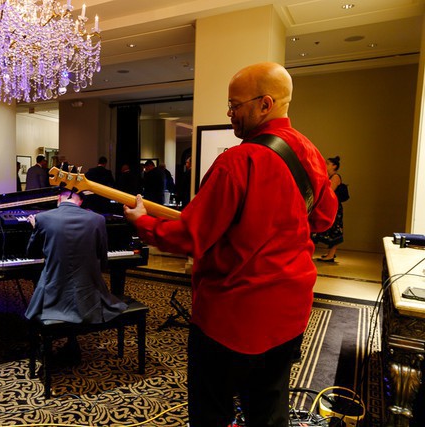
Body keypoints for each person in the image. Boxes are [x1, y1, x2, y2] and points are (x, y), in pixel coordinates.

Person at [124, 62, 338, 427]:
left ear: (265, 104)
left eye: (235, 105)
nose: (229, 113)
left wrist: (142, 223)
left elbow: (191, 236)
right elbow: (323, 218)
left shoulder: (237, 161)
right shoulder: (309, 152)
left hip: (233, 315)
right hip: (290, 309)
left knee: (212, 411)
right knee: (269, 409)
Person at [24, 188, 128, 361]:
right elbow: (103, 259)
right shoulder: (98, 219)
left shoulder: (42, 218)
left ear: (59, 199)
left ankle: (44, 345)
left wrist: (36, 228)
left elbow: (31, 253)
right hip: (89, 294)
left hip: (53, 295)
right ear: (80, 202)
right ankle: (72, 342)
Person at [313, 156, 345, 262]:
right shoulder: (330, 176)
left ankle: (331, 255)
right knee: (331, 229)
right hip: (331, 206)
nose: (325, 165)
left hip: (334, 207)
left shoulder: (335, 177)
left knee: (335, 230)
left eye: (327, 163)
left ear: (334, 166)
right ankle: (330, 253)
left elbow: (329, 192)